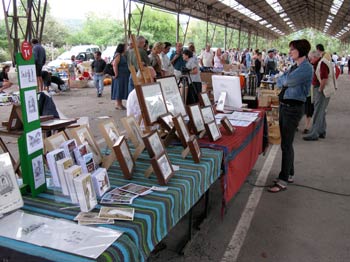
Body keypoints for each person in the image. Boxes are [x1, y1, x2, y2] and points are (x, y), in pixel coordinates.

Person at [268, 39, 313, 193]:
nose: (289, 52)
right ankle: (289, 174)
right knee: (286, 143)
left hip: (293, 108)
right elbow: (281, 81)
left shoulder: (306, 68)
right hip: (286, 106)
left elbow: (287, 81)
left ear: (300, 51)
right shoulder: (295, 66)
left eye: (292, 50)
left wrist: (283, 81)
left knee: (286, 145)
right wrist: (283, 81)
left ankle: (283, 180)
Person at [303, 50, 336, 141]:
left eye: (310, 59)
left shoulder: (321, 63)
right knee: (321, 112)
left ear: (315, 57)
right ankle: (321, 131)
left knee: (317, 112)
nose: (310, 61)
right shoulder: (320, 63)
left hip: (321, 90)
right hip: (320, 89)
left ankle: (314, 133)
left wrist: (320, 90)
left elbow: (324, 79)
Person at [111, 43, 130, 110]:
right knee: (119, 89)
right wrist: (116, 74)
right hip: (120, 75)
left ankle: (120, 103)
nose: (127, 48)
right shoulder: (118, 55)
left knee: (121, 89)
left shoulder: (123, 55)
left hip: (124, 75)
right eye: (126, 47)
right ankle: (118, 104)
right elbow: (114, 64)